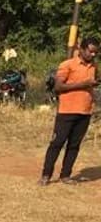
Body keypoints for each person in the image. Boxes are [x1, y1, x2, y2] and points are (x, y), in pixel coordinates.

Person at [40, 36, 99, 185]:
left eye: (95, 53)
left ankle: (66, 175)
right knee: (57, 143)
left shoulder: (94, 67)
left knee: (74, 145)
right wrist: (83, 84)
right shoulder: (67, 65)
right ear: (82, 49)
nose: (93, 55)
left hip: (85, 112)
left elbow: (91, 87)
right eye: (90, 52)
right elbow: (58, 87)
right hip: (67, 111)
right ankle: (46, 175)